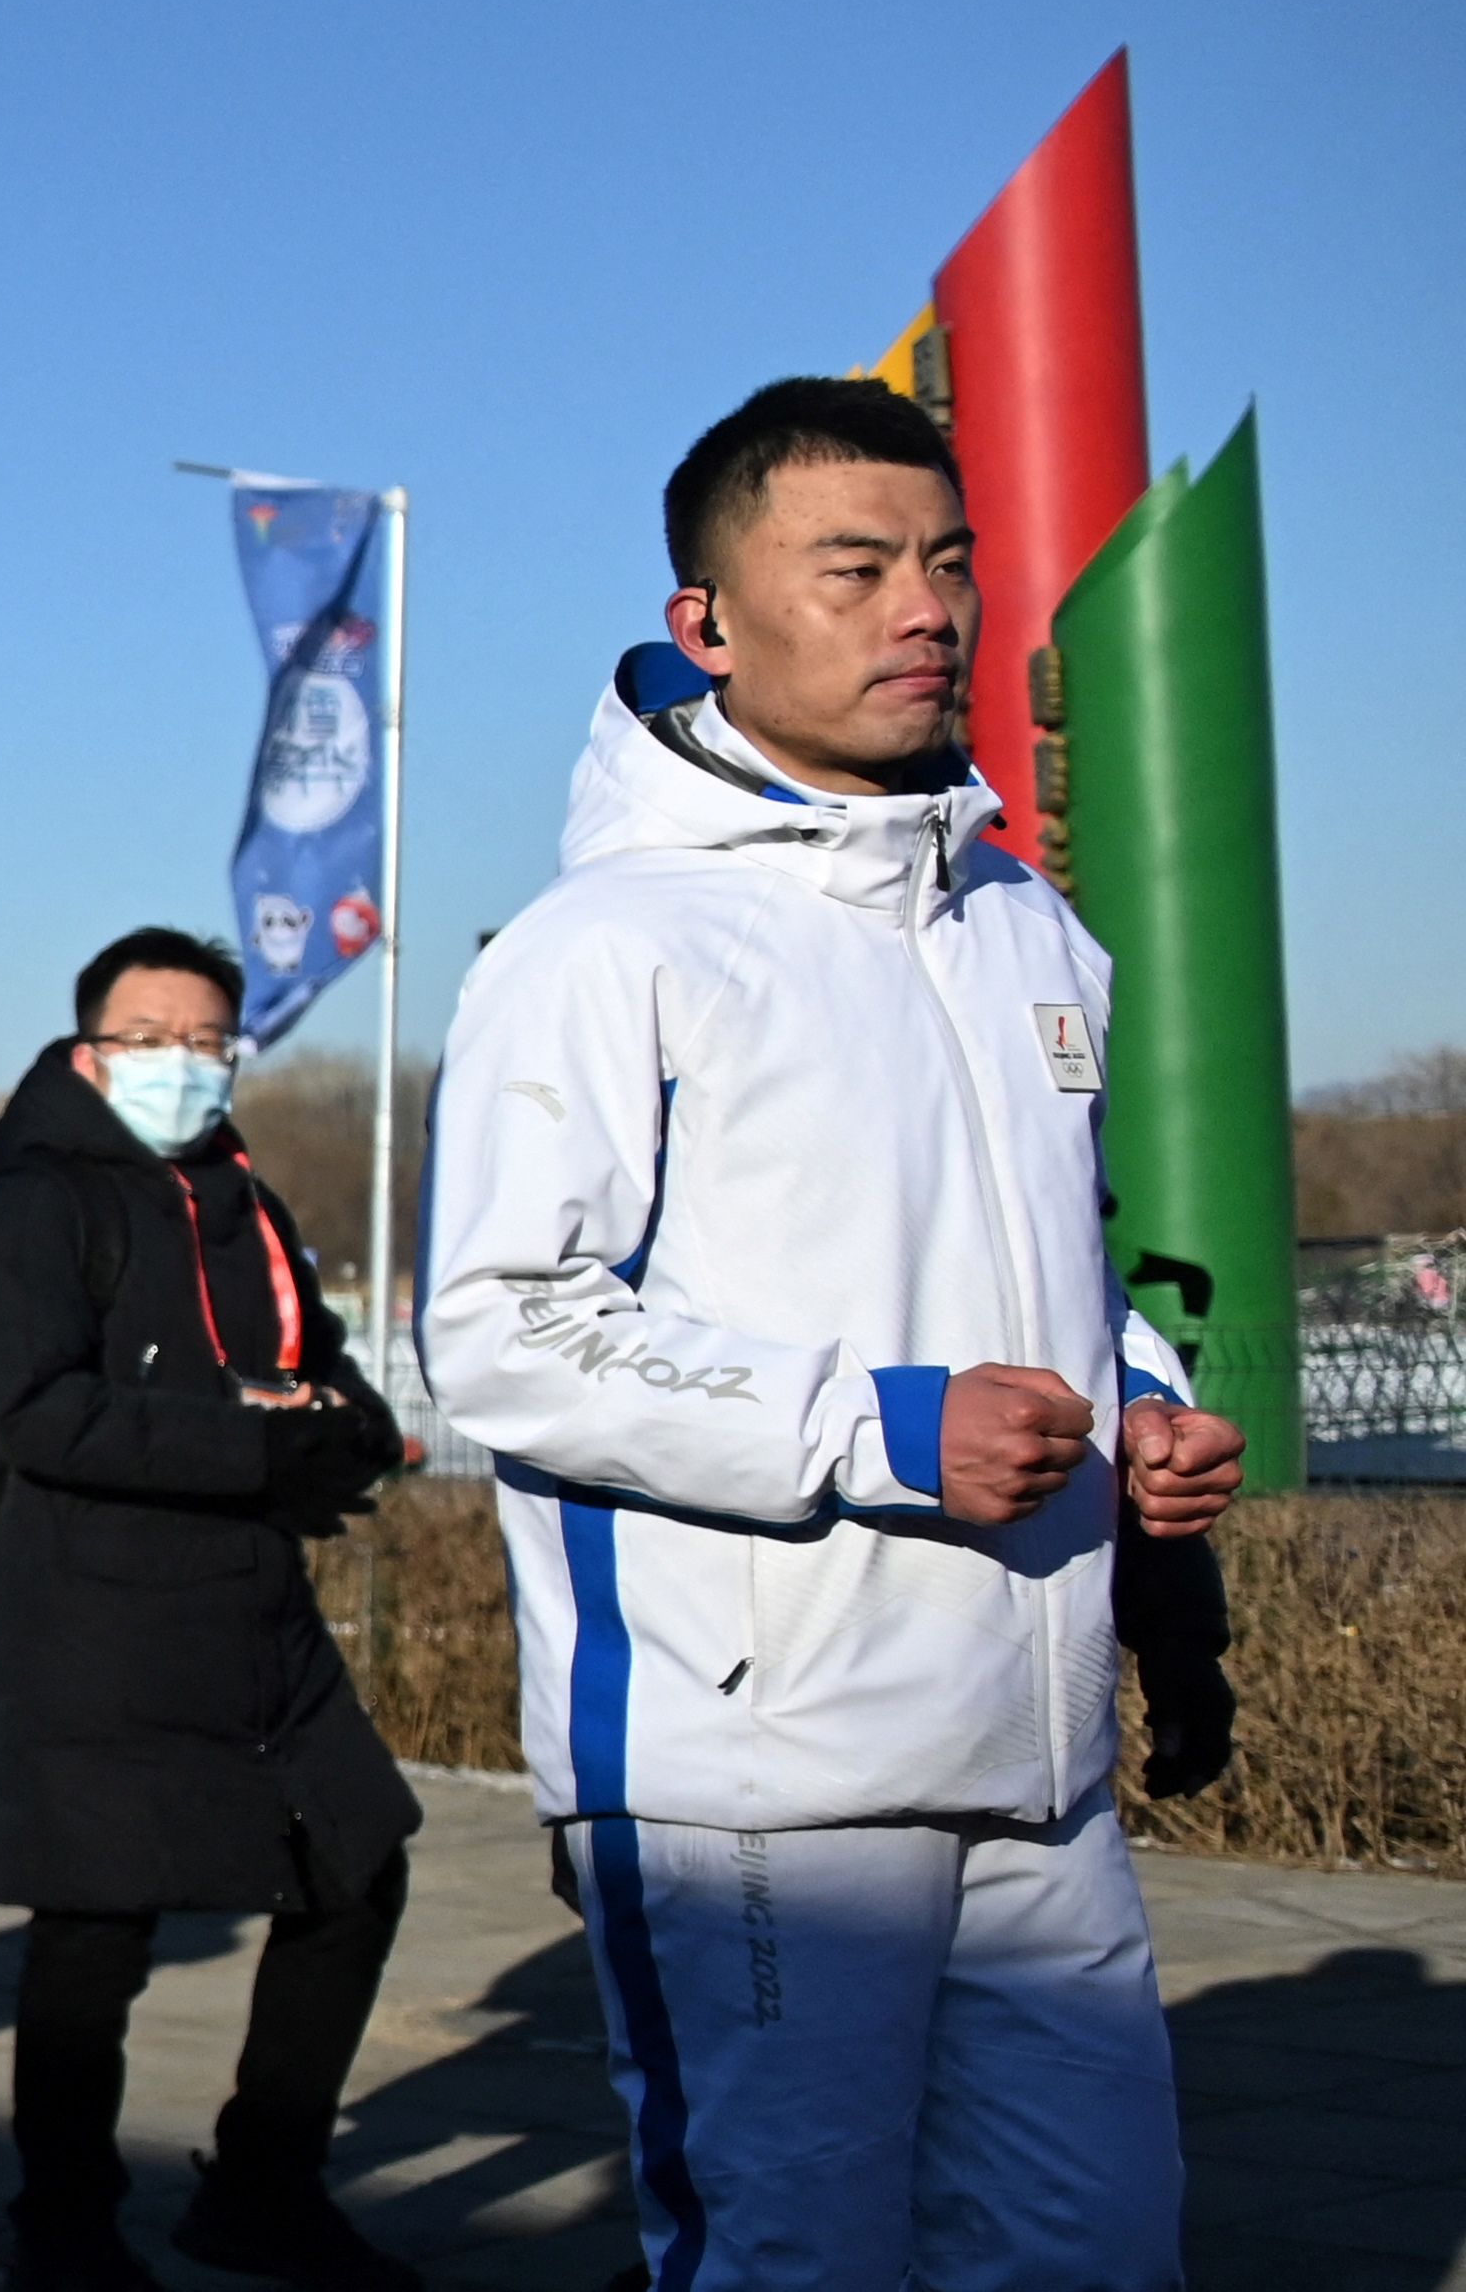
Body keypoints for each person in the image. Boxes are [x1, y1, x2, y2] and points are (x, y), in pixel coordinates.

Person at [420, 376, 1248, 2292]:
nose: (927, 612)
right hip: (758, 1779)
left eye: (949, 565)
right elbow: (507, 1334)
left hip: (1036, 1756)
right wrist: (881, 1428)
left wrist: (1141, 1407)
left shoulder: (1022, 920)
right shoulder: (604, 943)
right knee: (793, 2262)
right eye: (857, 568)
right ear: (706, 621)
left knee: (1097, 2255)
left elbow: (1053, 1263)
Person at [0, 927, 420, 2292]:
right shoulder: (37, 1202)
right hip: (93, 1620)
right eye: (152, 1040)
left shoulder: (243, 1201)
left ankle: (265, 2183)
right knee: (96, 1934)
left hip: (254, 1618)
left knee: (356, 1865)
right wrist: (249, 1436)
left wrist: (335, 1433)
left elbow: (326, 1376)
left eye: (208, 1042)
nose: (182, 1065)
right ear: (92, 1051)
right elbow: (35, 1412)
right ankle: (68, 2231)